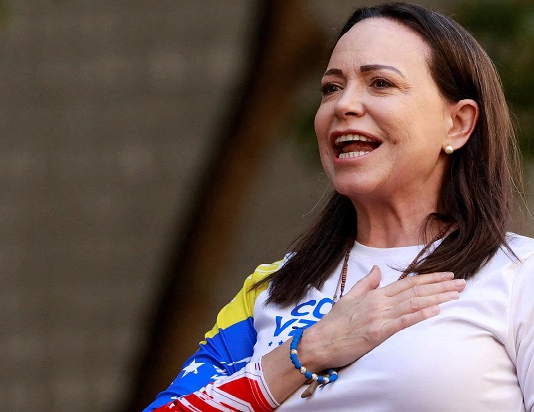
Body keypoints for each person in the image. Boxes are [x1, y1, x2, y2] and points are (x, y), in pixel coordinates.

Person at [145, 2, 534, 411]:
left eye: (380, 83)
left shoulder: (519, 275)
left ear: (457, 123)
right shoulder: (273, 289)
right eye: (331, 87)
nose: (344, 105)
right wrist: (306, 352)